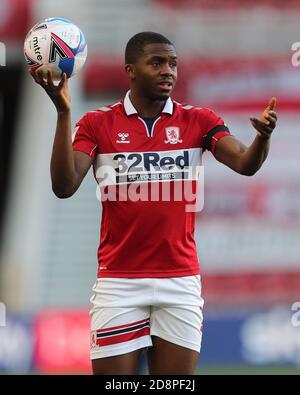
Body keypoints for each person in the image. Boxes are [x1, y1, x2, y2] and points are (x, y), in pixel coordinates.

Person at [30, 31, 277, 375]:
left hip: (180, 282)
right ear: (130, 70)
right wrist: (62, 112)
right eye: (157, 63)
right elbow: (64, 185)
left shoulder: (198, 121)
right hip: (119, 283)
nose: (168, 71)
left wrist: (262, 138)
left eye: (173, 64)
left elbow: (245, 164)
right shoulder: (98, 123)